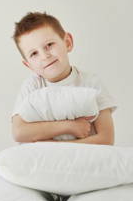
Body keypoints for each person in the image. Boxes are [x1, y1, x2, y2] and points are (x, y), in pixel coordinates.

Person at [10, 11, 118, 145]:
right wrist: (69, 126)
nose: (44, 56)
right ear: (29, 65)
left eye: (49, 45)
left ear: (67, 42)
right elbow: (19, 132)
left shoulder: (90, 82)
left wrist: (57, 149)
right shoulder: (32, 86)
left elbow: (106, 139)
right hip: (46, 163)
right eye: (34, 54)